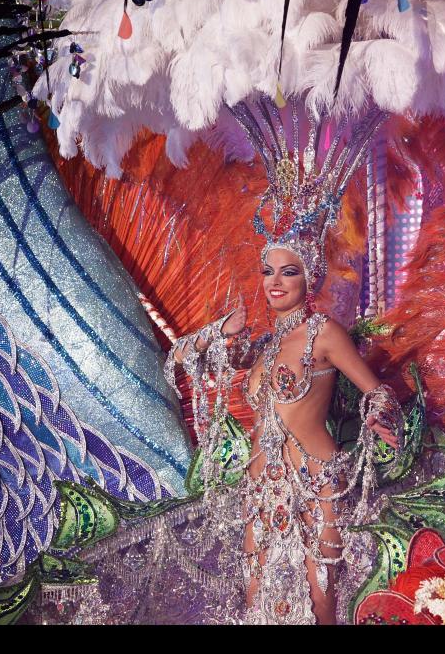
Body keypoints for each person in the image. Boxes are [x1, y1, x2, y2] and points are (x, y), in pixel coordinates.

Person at [164, 150, 404, 624]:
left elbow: (379, 392)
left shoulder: (324, 334)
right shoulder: (262, 346)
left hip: (315, 480)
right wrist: (218, 332)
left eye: (288, 271)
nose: (275, 282)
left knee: (320, 599)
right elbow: (177, 364)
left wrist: (376, 414)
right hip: (260, 487)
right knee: (257, 598)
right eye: (268, 271)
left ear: (309, 275)